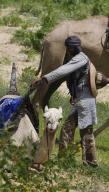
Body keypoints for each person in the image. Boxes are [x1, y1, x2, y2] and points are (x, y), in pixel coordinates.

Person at [31, 36, 98, 167]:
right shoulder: (81, 58)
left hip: (84, 101)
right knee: (78, 130)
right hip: (83, 100)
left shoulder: (80, 59)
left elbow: (63, 70)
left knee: (76, 131)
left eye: (68, 47)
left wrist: (44, 78)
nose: (67, 50)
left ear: (73, 48)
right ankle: (80, 161)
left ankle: (73, 161)